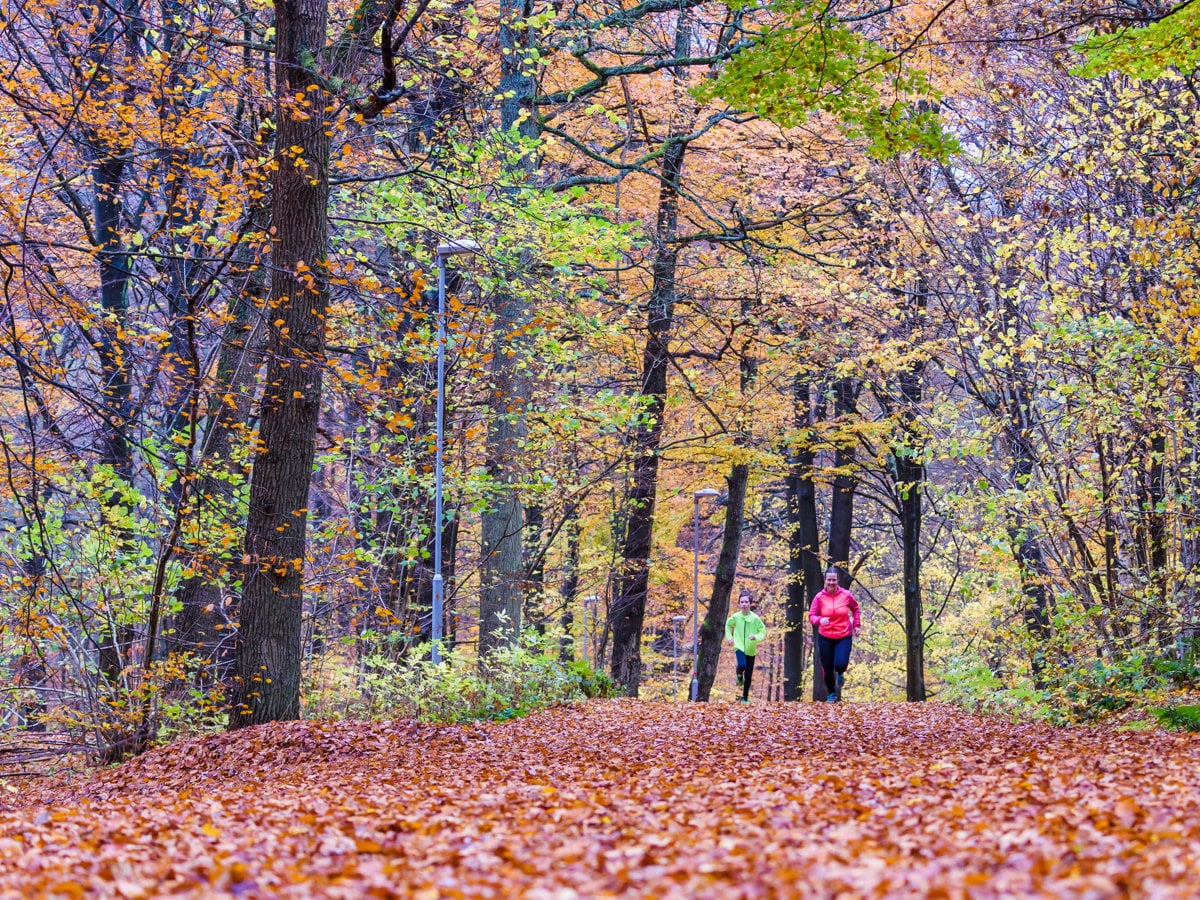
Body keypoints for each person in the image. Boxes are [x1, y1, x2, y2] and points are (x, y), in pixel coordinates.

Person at [808, 568, 861, 702]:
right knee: (827, 666)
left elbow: (855, 609)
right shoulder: (819, 597)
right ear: (825, 580)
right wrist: (820, 620)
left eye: (834, 579)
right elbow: (812, 616)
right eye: (829, 579)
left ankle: (841, 672)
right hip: (825, 636)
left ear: (838, 580)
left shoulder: (846, 595)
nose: (831, 582)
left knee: (840, 663)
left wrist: (856, 625)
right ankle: (831, 693)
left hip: (843, 634)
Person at [725, 590, 766, 702]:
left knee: (748, 675)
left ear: (750, 603)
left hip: (751, 649)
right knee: (742, 665)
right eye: (742, 602)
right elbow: (728, 626)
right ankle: (739, 675)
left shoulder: (755, 618)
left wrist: (756, 637)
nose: (744, 604)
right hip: (739, 646)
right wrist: (729, 637)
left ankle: (745, 698)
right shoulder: (735, 617)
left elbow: (762, 632)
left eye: (746, 602)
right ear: (739, 604)